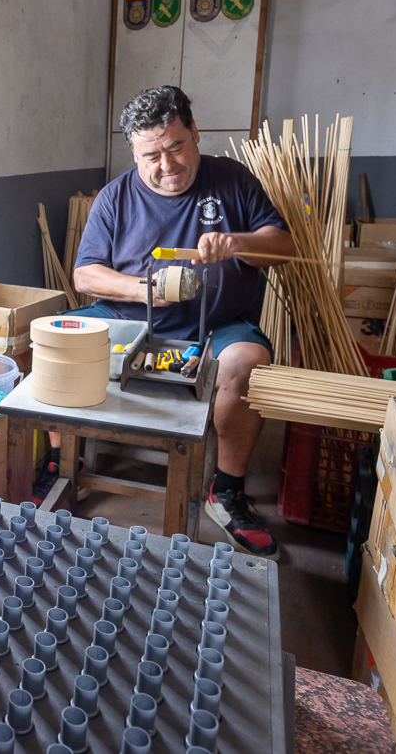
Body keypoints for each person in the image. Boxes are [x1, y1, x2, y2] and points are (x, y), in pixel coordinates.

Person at [72, 85, 294, 560]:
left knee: (248, 361)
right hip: (131, 319)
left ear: (195, 132)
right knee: (58, 340)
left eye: (175, 146)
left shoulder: (232, 180)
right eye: (151, 155)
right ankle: (61, 466)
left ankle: (227, 491)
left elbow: (284, 247)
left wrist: (235, 242)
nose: (166, 165)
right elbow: (85, 273)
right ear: (134, 153)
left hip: (216, 324)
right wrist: (140, 290)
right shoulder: (115, 197)